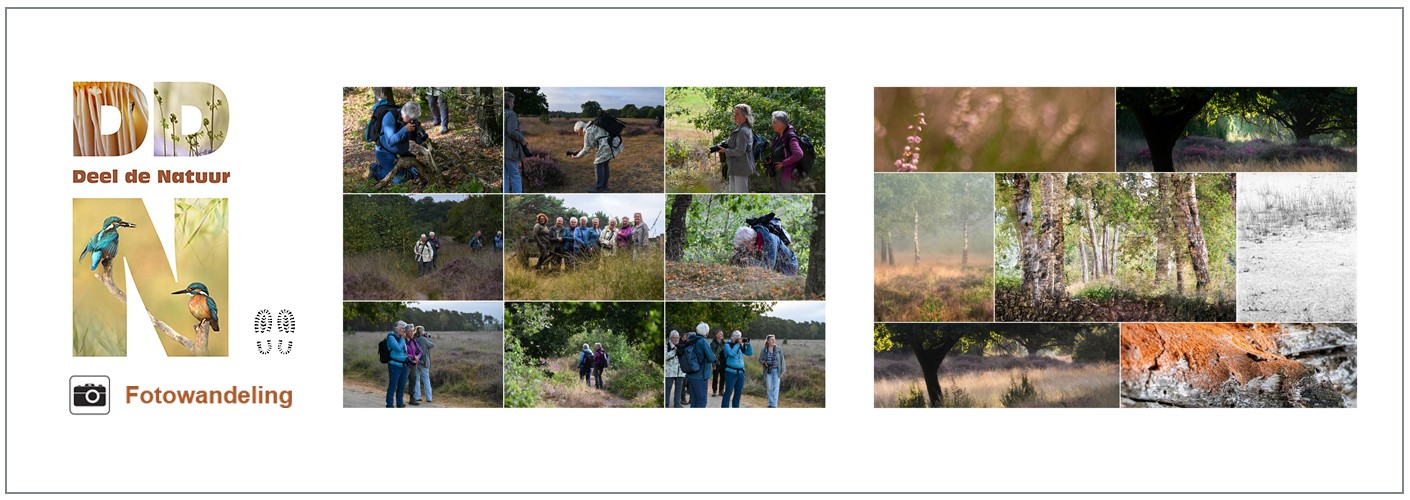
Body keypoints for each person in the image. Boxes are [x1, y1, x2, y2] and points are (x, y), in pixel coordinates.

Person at [371, 101, 427, 184]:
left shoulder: (409, 119)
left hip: (402, 152)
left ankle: (405, 170)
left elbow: (417, 140)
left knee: (418, 172)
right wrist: (404, 130)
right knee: (399, 180)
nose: (411, 121)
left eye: (414, 119)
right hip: (385, 151)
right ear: (404, 114)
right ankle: (375, 169)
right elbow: (390, 141)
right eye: (410, 119)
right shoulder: (390, 117)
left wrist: (420, 135)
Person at [568, 119, 623, 193]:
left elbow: (586, 149)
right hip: (612, 143)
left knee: (598, 164)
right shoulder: (593, 125)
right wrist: (579, 151)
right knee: (604, 164)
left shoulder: (588, 132)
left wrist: (577, 156)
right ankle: (604, 186)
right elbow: (591, 144)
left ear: (581, 128)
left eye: (578, 132)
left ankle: (598, 188)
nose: (579, 134)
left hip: (606, 146)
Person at [718, 103, 755, 193]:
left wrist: (725, 151)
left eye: (737, 114)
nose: (734, 116)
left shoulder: (743, 131)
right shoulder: (740, 128)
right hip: (735, 167)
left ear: (744, 117)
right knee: (733, 193)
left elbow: (740, 151)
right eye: (734, 113)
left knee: (740, 193)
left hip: (740, 168)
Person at [764, 111, 804, 193]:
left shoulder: (790, 137)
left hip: (786, 174)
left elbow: (799, 154)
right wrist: (772, 160)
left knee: (784, 192)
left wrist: (783, 163)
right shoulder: (779, 136)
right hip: (777, 172)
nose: (772, 125)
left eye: (774, 123)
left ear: (782, 124)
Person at [732, 225, 798, 276]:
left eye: (745, 245)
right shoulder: (751, 241)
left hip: (787, 265)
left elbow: (769, 267)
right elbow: (734, 263)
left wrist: (750, 261)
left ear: (753, 240)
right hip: (775, 265)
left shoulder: (770, 241)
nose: (744, 248)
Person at [684, 323, 716, 408]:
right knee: (701, 401)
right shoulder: (703, 341)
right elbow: (711, 357)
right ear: (706, 332)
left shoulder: (691, 339)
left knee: (694, 401)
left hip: (691, 374)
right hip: (701, 375)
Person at [720, 330, 754, 408]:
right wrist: (737, 344)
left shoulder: (740, 345)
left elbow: (749, 353)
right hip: (730, 373)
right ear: (733, 337)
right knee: (728, 393)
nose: (739, 339)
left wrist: (748, 344)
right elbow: (731, 354)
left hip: (740, 373)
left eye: (740, 337)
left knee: (738, 394)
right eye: (737, 337)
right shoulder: (727, 345)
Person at [384, 321, 411, 408]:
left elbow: (404, 351)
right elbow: (398, 349)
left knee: (402, 385)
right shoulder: (391, 337)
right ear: (396, 329)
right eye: (402, 328)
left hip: (404, 365)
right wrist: (403, 339)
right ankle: (389, 404)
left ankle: (399, 403)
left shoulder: (401, 337)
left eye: (404, 328)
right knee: (393, 385)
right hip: (394, 365)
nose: (404, 330)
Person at [503, 92, 526, 193]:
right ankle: (518, 195)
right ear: (508, 102)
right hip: (509, 149)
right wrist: (522, 139)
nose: (513, 104)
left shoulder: (502, 113)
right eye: (512, 102)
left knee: (505, 175)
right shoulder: (511, 114)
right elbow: (512, 131)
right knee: (515, 174)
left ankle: (506, 193)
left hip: (503, 150)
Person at [759, 334, 786, 408]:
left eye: (774, 339)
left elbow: (782, 359)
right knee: (769, 388)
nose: (774, 341)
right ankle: (770, 404)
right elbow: (760, 360)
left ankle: (774, 405)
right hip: (768, 371)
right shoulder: (764, 350)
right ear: (768, 341)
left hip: (777, 370)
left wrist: (783, 370)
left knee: (776, 388)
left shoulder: (778, 349)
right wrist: (764, 362)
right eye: (772, 340)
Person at [413, 326, 435, 404]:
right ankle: (429, 398)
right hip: (424, 362)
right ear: (422, 331)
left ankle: (417, 396)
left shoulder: (414, 339)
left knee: (417, 379)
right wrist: (428, 337)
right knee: (426, 380)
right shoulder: (424, 339)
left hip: (416, 361)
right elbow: (432, 345)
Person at [664, 330, 685, 408]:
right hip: (669, 372)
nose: (676, 339)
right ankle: (666, 404)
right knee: (668, 388)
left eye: (677, 337)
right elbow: (665, 357)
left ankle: (677, 403)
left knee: (679, 388)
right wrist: (674, 351)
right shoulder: (666, 346)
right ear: (670, 338)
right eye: (674, 337)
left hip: (680, 372)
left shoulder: (681, 345)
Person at [404, 324, 423, 405]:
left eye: (412, 331)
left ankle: (412, 399)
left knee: (413, 381)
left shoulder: (413, 341)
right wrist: (413, 357)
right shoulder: (403, 341)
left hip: (413, 365)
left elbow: (420, 351)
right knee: (403, 382)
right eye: (410, 331)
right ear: (406, 331)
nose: (412, 332)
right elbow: (403, 353)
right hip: (405, 365)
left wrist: (417, 357)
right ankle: (399, 399)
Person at [710, 330, 726, 397]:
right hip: (716, 363)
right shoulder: (713, 343)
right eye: (720, 334)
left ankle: (721, 390)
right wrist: (713, 364)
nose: (721, 335)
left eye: (722, 334)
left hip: (723, 363)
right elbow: (711, 355)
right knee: (715, 378)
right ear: (716, 335)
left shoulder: (724, 343)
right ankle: (714, 391)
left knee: (723, 377)